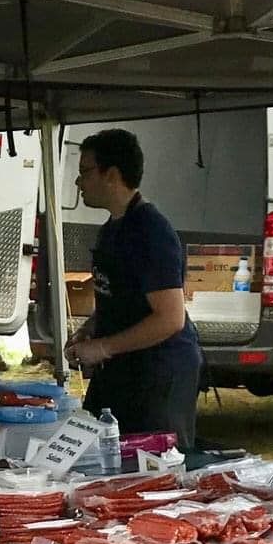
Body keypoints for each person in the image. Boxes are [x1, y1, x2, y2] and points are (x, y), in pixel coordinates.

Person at [66, 128, 202, 453]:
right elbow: (121, 296)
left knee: (153, 466)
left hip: (159, 373)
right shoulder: (113, 228)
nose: (78, 182)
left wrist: (102, 348)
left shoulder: (152, 232)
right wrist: (91, 328)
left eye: (85, 172)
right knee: (98, 450)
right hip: (121, 370)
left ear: (111, 175)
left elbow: (170, 319)